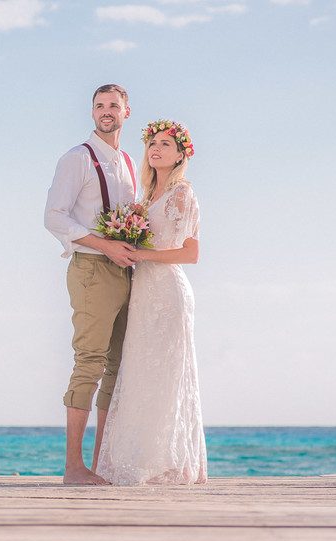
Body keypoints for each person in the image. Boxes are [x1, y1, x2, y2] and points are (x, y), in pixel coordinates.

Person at [96, 120, 207, 485]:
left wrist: (142, 255)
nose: (156, 149)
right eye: (152, 143)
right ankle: (143, 458)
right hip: (143, 293)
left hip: (168, 293)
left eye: (165, 144)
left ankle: (170, 463)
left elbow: (190, 254)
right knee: (142, 371)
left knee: (167, 374)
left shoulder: (182, 193)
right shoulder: (146, 197)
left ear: (180, 155)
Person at [44, 84, 140, 484]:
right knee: (89, 364)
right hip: (91, 270)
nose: (105, 112)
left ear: (126, 113)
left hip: (128, 273)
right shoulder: (76, 159)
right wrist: (105, 246)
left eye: (113, 106)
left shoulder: (131, 162)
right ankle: (73, 468)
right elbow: (54, 217)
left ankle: (100, 465)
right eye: (99, 106)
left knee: (118, 368)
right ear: (92, 113)